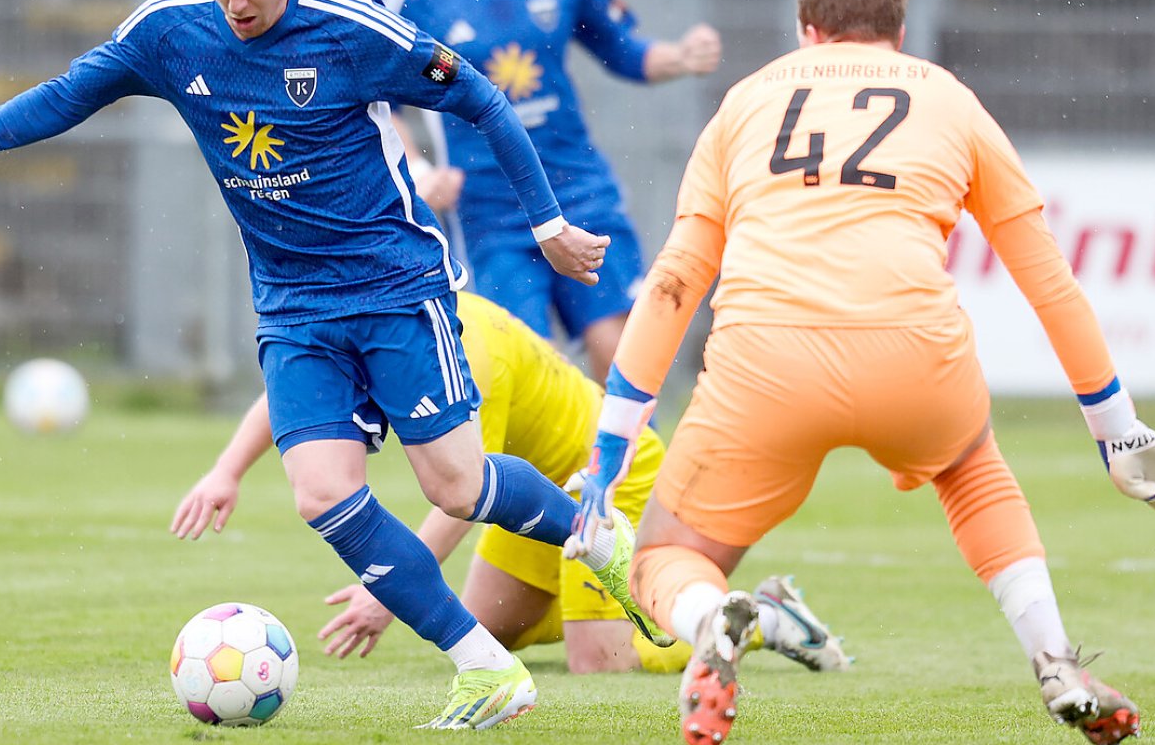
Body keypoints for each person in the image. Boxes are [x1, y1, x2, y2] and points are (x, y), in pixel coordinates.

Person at [0, 0, 657, 731]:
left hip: (396, 286)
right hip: (292, 306)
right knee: (323, 494)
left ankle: (599, 534)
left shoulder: (351, 27)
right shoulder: (171, 30)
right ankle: (485, 671)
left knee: (457, 489)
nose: (236, 2)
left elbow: (480, 98)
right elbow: (65, 98)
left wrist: (547, 225)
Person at [566, 0, 1155, 745]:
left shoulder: (747, 102)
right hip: (913, 357)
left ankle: (713, 618)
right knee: (971, 471)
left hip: (767, 363)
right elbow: (1049, 281)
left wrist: (612, 445)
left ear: (806, 30)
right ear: (898, 28)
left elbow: (676, 283)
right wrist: (1117, 430)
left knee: (666, 556)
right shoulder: (948, 98)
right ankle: (1054, 662)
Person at [171, 290, 852, 677]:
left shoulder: (462, 351)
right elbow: (300, 389)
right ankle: (619, 598)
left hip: (603, 478)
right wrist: (225, 471)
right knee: (499, 632)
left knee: (599, 664)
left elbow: (465, 495)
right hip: (532, 491)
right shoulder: (381, 310)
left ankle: (759, 619)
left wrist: (388, 591)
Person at [383, 0, 723, 382]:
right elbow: (385, 104)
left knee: (617, 347)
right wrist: (420, 172)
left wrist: (680, 56)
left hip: (578, 188)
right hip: (489, 211)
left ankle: (621, 467)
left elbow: (625, 50)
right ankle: (556, 470)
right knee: (530, 367)